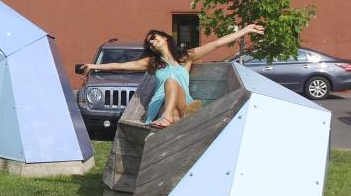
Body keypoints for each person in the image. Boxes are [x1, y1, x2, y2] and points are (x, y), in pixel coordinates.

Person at [81, 23, 265, 127]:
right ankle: (172, 117)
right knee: (173, 111)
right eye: (149, 42)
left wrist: (245, 30)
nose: (152, 42)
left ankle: (171, 117)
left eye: (154, 38)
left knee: (171, 82)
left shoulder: (185, 58)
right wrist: (94, 66)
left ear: (166, 38)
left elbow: (216, 44)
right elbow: (122, 66)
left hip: (183, 100)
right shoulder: (152, 62)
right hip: (160, 103)